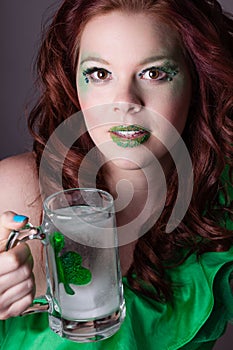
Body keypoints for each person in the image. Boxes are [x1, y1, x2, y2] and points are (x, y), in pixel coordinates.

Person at [0, 0, 232, 349]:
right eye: (99, 74)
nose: (124, 101)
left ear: (197, 79)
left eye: (154, 73)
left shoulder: (221, 199)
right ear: (72, 82)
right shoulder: (15, 189)